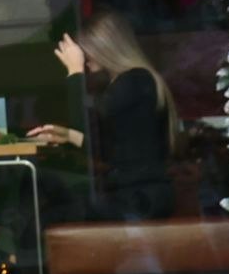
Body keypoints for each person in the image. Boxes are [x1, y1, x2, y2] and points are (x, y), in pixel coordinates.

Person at [28, 13, 174, 220]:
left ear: (103, 48)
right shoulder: (130, 82)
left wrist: (75, 71)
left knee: (48, 215)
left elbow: (89, 121)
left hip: (139, 200)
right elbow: (117, 148)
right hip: (134, 196)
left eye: (85, 51)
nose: (85, 58)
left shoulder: (135, 80)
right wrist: (69, 136)